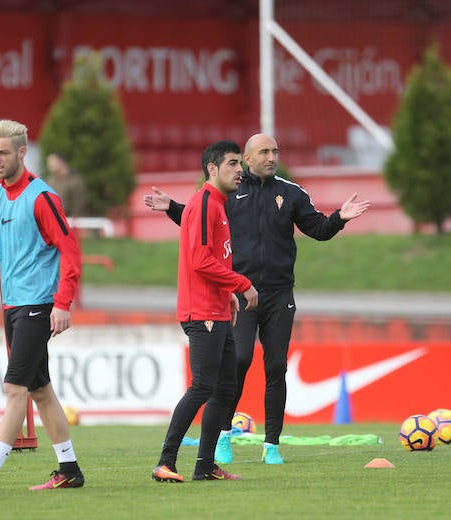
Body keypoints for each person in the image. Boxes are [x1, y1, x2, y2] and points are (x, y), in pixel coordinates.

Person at [144, 133, 369, 465]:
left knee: (276, 366)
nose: (271, 157)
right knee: (238, 361)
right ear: (247, 159)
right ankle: (221, 436)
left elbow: (318, 228)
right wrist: (173, 209)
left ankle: (272, 445)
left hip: (279, 294)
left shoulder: (290, 193)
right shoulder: (229, 193)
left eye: (275, 151)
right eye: (263, 151)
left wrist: (340, 218)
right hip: (239, 292)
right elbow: (200, 227)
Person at [0, 119, 84, 493]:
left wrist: (63, 303)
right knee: (40, 390)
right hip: (14, 306)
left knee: (14, 388)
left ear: (22, 152)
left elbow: (70, 252)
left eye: (3, 152)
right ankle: (69, 469)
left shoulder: (42, 197)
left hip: (38, 305)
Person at [152, 140, 258, 484]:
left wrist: (226, 292)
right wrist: (241, 283)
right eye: (232, 163)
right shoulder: (205, 203)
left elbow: (212, 257)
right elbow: (199, 260)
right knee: (202, 386)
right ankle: (165, 461)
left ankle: (205, 465)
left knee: (225, 389)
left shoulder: (217, 205)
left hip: (216, 308)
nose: (239, 169)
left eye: (240, 163)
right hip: (201, 313)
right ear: (211, 169)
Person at [46, 152, 87, 217]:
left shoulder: (75, 180)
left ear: (61, 162)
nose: (49, 165)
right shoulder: (50, 181)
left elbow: (79, 204)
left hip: (71, 220)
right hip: (53, 218)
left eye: (52, 161)